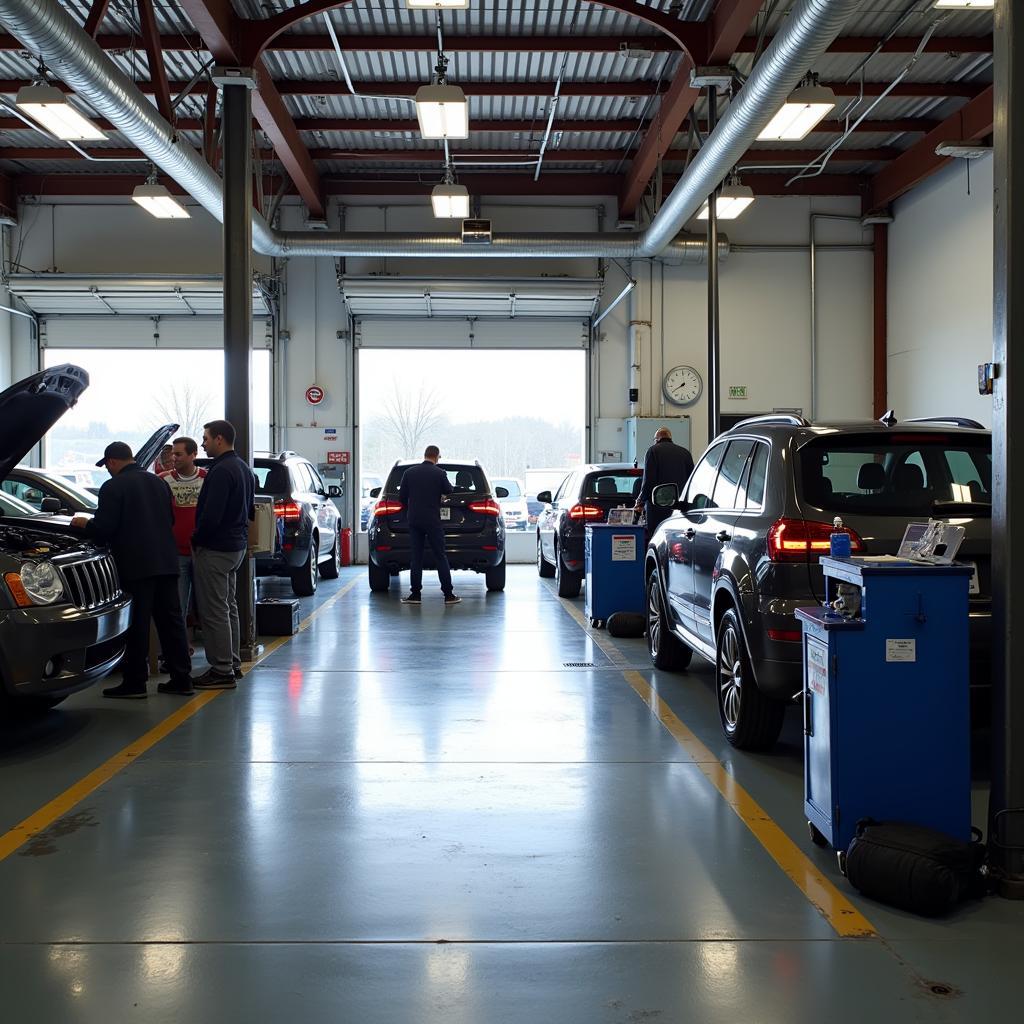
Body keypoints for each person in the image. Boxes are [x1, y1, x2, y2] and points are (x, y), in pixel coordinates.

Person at [70, 441, 194, 699]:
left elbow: (104, 528)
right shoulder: (158, 483)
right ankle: (182, 679)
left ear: (112, 462)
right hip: (166, 562)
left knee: (137, 624)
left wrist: (84, 523)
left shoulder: (113, 486)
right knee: (171, 622)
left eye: (107, 466)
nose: (107, 471)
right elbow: (169, 520)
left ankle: (135, 682)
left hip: (136, 566)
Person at [192, 419, 255, 689]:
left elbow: (211, 516)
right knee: (228, 607)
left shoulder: (220, 471)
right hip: (236, 547)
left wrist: (197, 538)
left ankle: (221, 671)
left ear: (219, 439)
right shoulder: (243, 468)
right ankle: (232, 663)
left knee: (214, 611)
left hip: (216, 549)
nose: (203, 443)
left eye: (205, 438)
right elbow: (250, 510)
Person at [398, 445, 461, 605]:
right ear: (436, 456)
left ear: (425, 455)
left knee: (416, 558)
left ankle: (415, 595)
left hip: (414, 520)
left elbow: (402, 498)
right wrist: (438, 497)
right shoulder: (439, 473)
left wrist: (414, 504)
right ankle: (448, 595)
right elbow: (449, 490)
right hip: (433, 520)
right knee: (440, 556)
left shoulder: (409, 473)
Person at [160, 436, 207, 644]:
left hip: (203, 551)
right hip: (176, 552)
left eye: (178, 454)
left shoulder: (208, 479)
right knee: (178, 605)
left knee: (210, 605)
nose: (174, 458)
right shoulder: (163, 480)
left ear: (193, 455)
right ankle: (181, 648)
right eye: (172, 454)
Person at [634, 426, 695, 537]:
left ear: (656, 440)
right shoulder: (685, 453)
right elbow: (692, 480)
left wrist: (640, 501)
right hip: (680, 509)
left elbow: (648, 481)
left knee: (657, 540)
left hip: (658, 509)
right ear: (670, 438)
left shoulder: (653, 451)